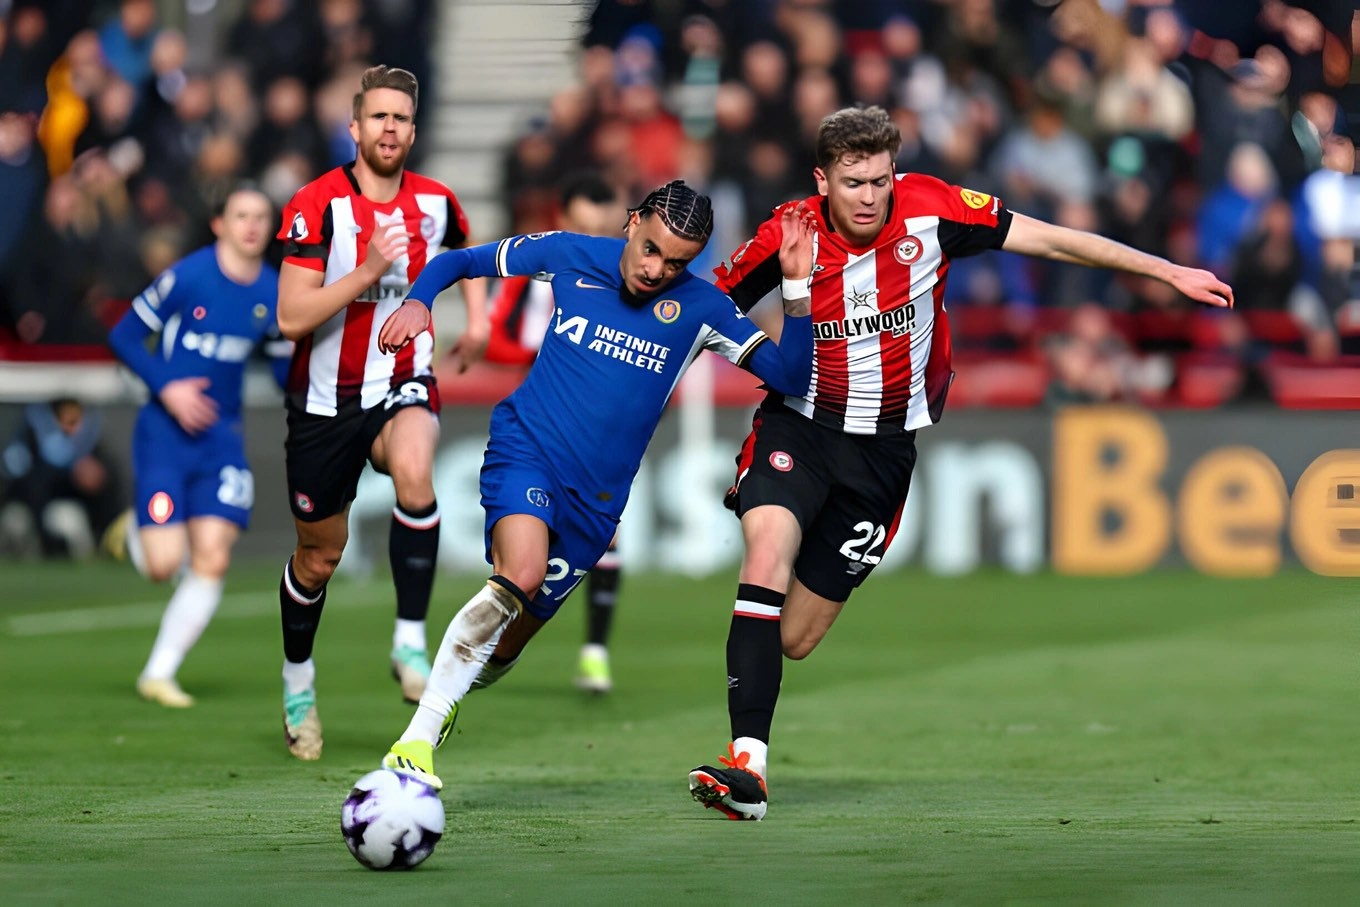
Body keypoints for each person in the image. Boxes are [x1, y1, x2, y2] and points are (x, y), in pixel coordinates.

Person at [688, 105, 1234, 821]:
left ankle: (752, 716)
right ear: (822, 180)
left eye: (880, 179)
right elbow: (697, 308)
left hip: (884, 452)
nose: (869, 196)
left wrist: (1163, 270)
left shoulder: (933, 211)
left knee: (793, 637)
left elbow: (1054, 241)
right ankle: (748, 770)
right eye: (853, 182)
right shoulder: (788, 232)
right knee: (765, 553)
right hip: (800, 426)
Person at [378, 179, 816, 790]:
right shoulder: (569, 254)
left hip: (598, 504)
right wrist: (420, 301)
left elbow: (791, 375)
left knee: (506, 645)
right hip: (526, 448)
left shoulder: (705, 308)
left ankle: (454, 687)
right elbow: (459, 260)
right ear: (633, 222)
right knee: (520, 573)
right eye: (652, 250)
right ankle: (416, 741)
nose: (658, 269)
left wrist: (795, 291)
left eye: (677, 262)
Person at [272, 64, 488, 761]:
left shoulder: (435, 201)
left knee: (416, 469)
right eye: (379, 117)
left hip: (403, 377)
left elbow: (465, 249)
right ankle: (298, 680)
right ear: (355, 128)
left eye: (401, 118)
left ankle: (408, 640)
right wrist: (366, 273)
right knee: (319, 556)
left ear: (413, 131)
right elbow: (289, 316)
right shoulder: (316, 205)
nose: (389, 128)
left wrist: (477, 320)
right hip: (324, 400)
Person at [106, 185, 290, 708]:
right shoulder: (187, 277)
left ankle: (158, 674)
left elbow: (281, 368)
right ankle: (135, 534)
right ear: (219, 224)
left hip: (221, 439)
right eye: (241, 215)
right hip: (165, 435)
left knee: (212, 556)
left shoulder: (274, 291)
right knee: (165, 564)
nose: (252, 225)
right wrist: (167, 386)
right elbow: (122, 336)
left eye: (261, 217)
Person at [483, 171, 628, 694]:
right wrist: (549, 356)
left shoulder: (629, 279)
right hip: (540, 425)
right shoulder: (533, 275)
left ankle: (594, 651)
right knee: (525, 549)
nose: (597, 236)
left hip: (598, 432)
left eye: (606, 227)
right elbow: (497, 340)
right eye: (585, 225)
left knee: (605, 537)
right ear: (565, 221)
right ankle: (488, 642)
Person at [0, 398, 123, 560]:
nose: (71, 427)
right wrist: (70, 474)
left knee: (74, 518)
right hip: (34, 510)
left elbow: (106, 480)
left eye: (75, 420)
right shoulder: (33, 437)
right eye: (66, 419)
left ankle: (103, 546)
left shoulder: (92, 446)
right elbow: (26, 480)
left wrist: (94, 478)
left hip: (77, 509)